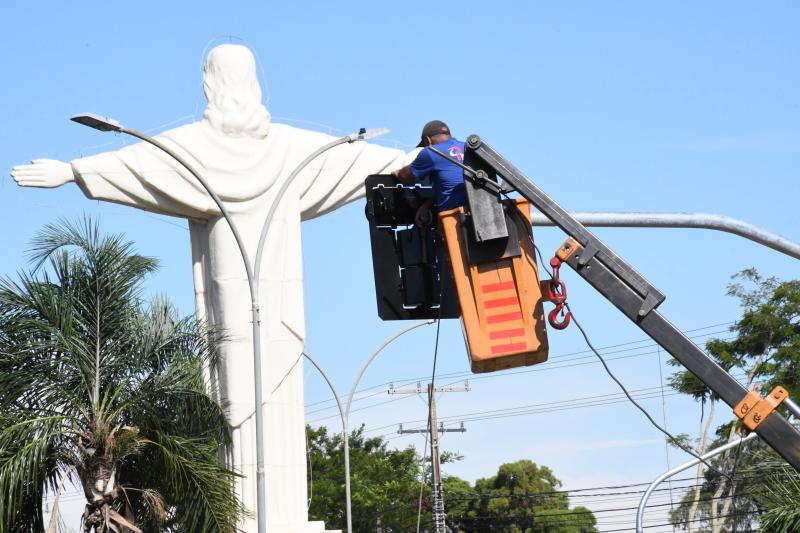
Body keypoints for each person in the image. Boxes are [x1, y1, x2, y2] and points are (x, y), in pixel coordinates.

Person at [11, 44, 414, 533]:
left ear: (209, 84)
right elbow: (365, 160)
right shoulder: (289, 149)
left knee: (263, 395)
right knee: (244, 395)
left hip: (264, 301)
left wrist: (72, 171)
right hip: (256, 302)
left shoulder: (214, 150)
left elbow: (141, 166)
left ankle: (270, 515)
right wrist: (419, 157)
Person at [392, 120, 466, 226]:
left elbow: (405, 176)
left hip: (455, 222)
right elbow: (455, 186)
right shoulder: (469, 148)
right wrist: (428, 204)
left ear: (427, 140)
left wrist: (398, 173)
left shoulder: (430, 152)